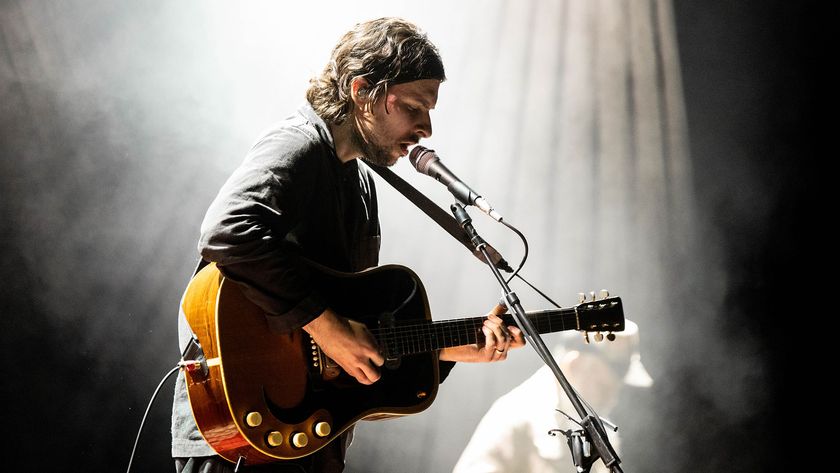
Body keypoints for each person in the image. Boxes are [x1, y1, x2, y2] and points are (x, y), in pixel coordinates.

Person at [170, 17, 525, 473]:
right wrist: (329, 329)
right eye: (414, 106)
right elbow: (227, 229)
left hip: (308, 435)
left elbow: (353, 330)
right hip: (246, 424)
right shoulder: (297, 144)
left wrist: (447, 349)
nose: (427, 128)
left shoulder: (361, 185)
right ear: (362, 91)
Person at [452, 320, 653, 473]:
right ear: (575, 364)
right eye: (603, 388)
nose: (614, 398)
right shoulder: (515, 414)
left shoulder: (598, 427)